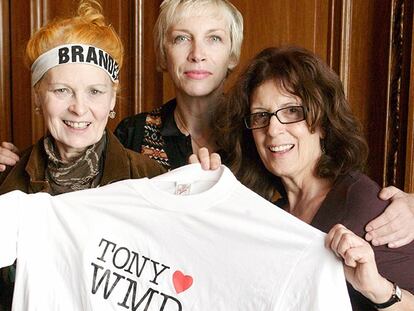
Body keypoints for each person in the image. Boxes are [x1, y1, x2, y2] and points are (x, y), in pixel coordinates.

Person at [214, 46, 414, 310]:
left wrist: (378, 289)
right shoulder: (271, 212)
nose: (273, 130)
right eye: (261, 116)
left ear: (322, 122)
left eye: (292, 111)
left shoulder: (363, 204)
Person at [0, 1, 166, 309]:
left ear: (112, 98)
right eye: (61, 90)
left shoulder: (154, 180)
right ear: (38, 96)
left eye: (95, 92)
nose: (78, 107)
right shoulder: (6, 183)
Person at [114, 0, 243, 169]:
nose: (197, 54)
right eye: (181, 38)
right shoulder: (132, 135)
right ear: (162, 54)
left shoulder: (253, 133)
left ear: (232, 55)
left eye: (214, 38)